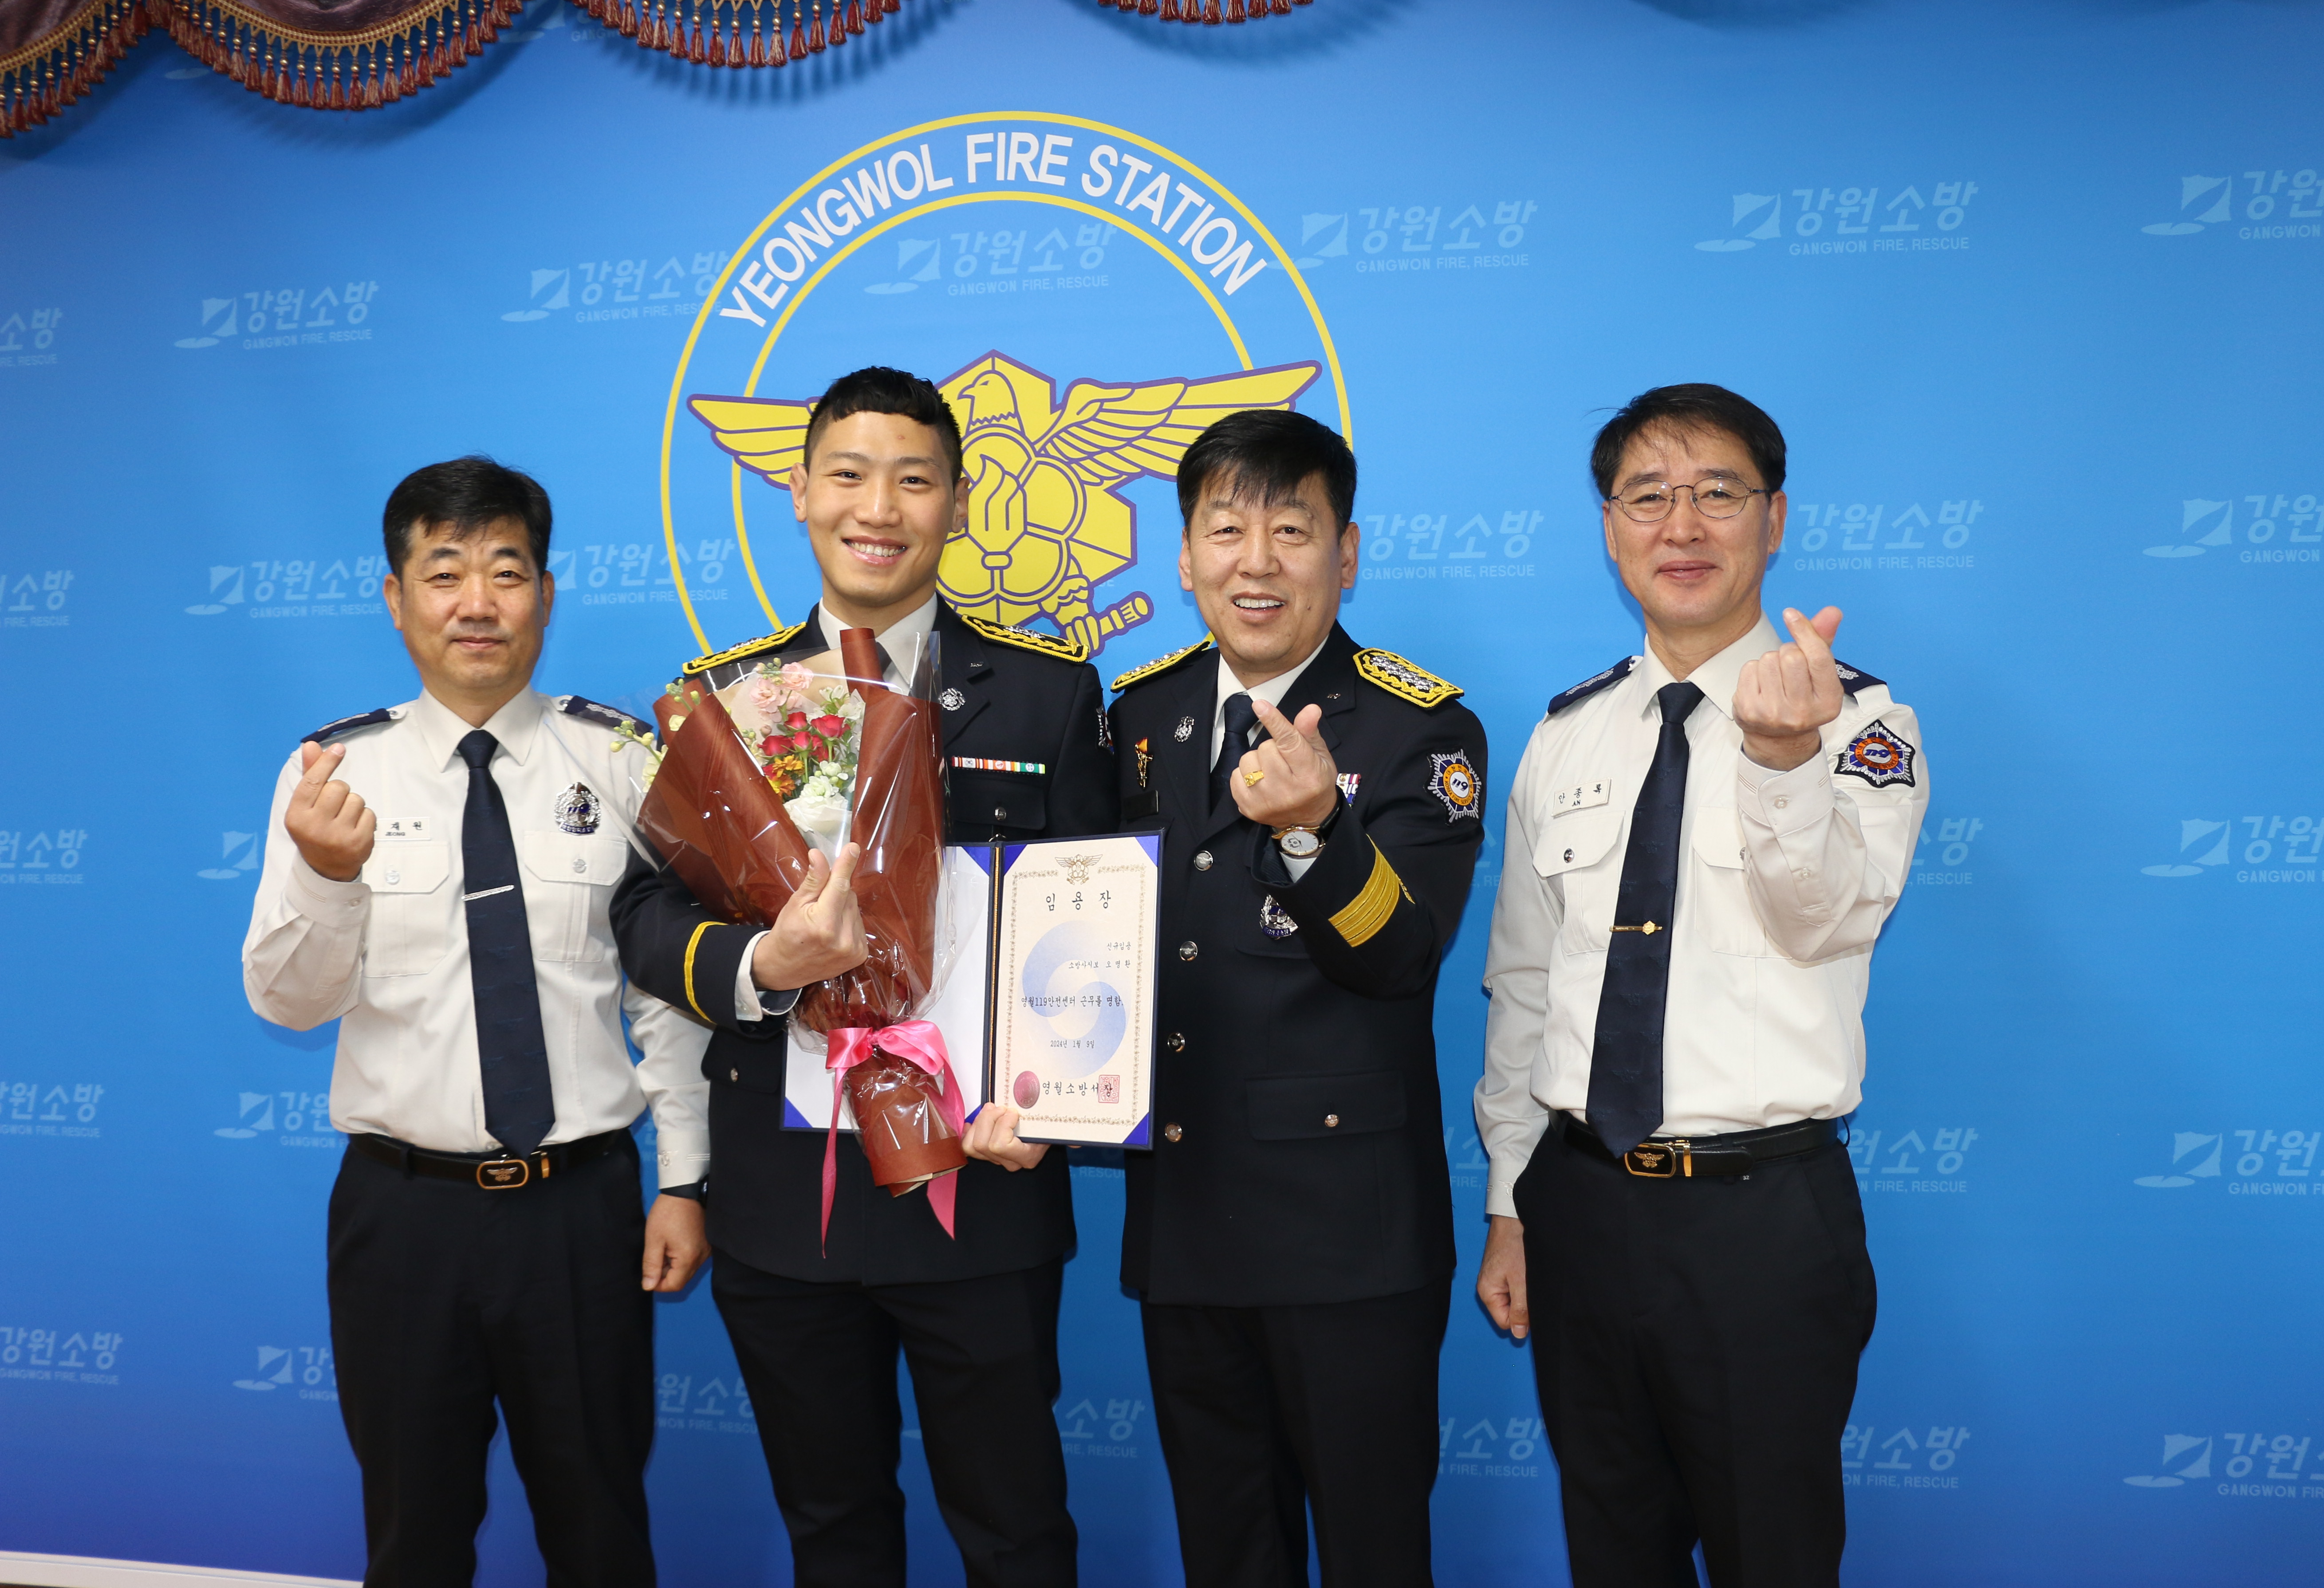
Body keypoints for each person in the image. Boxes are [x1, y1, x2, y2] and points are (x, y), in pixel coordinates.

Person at [609, 366, 1117, 1588]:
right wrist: (763, 964)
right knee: (832, 1534)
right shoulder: (724, 701)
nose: (877, 508)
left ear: (958, 503)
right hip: (788, 1206)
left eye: (913, 480)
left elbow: (1099, 921)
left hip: (982, 1190)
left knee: (1018, 1533)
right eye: (847, 475)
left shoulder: (1048, 695)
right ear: (798, 493)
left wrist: (1054, 1103)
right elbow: (645, 915)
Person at [1473, 384, 1928, 1588]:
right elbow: (1525, 986)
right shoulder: (1565, 735)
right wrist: (1512, 1201)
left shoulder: (1860, 722)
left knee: (1773, 1555)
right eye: (1647, 498)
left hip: (1759, 1224)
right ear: (1610, 529)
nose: (1682, 526)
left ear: (1774, 519)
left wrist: (1781, 762)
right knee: (1612, 1552)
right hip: (1578, 1206)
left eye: (1718, 493)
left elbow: (1829, 918)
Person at [240, 457, 711, 1588]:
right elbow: (287, 1001)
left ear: (547, 592)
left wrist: (686, 1181)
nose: (477, 602)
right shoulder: (329, 774)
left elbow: (664, 995)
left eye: (506, 570)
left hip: (581, 1213)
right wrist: (327, 875)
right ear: (396, 598)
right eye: (443, 572)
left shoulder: (625, 760)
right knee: (415, 1535)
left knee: (601, 1531)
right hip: (403, 1218)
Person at [1107, 409, 1486, 1588]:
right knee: (1227, 1551)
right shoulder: (1140, 717)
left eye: (1291, 529)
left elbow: (1400, 958)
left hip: (1346, 1239)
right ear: (1184, 558)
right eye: (1225, 530)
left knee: (1374, 1554)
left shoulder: (1422, 726)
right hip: (1186, 1219)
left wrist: (1321, 829)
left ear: (1347, 553)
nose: (1255, 562)